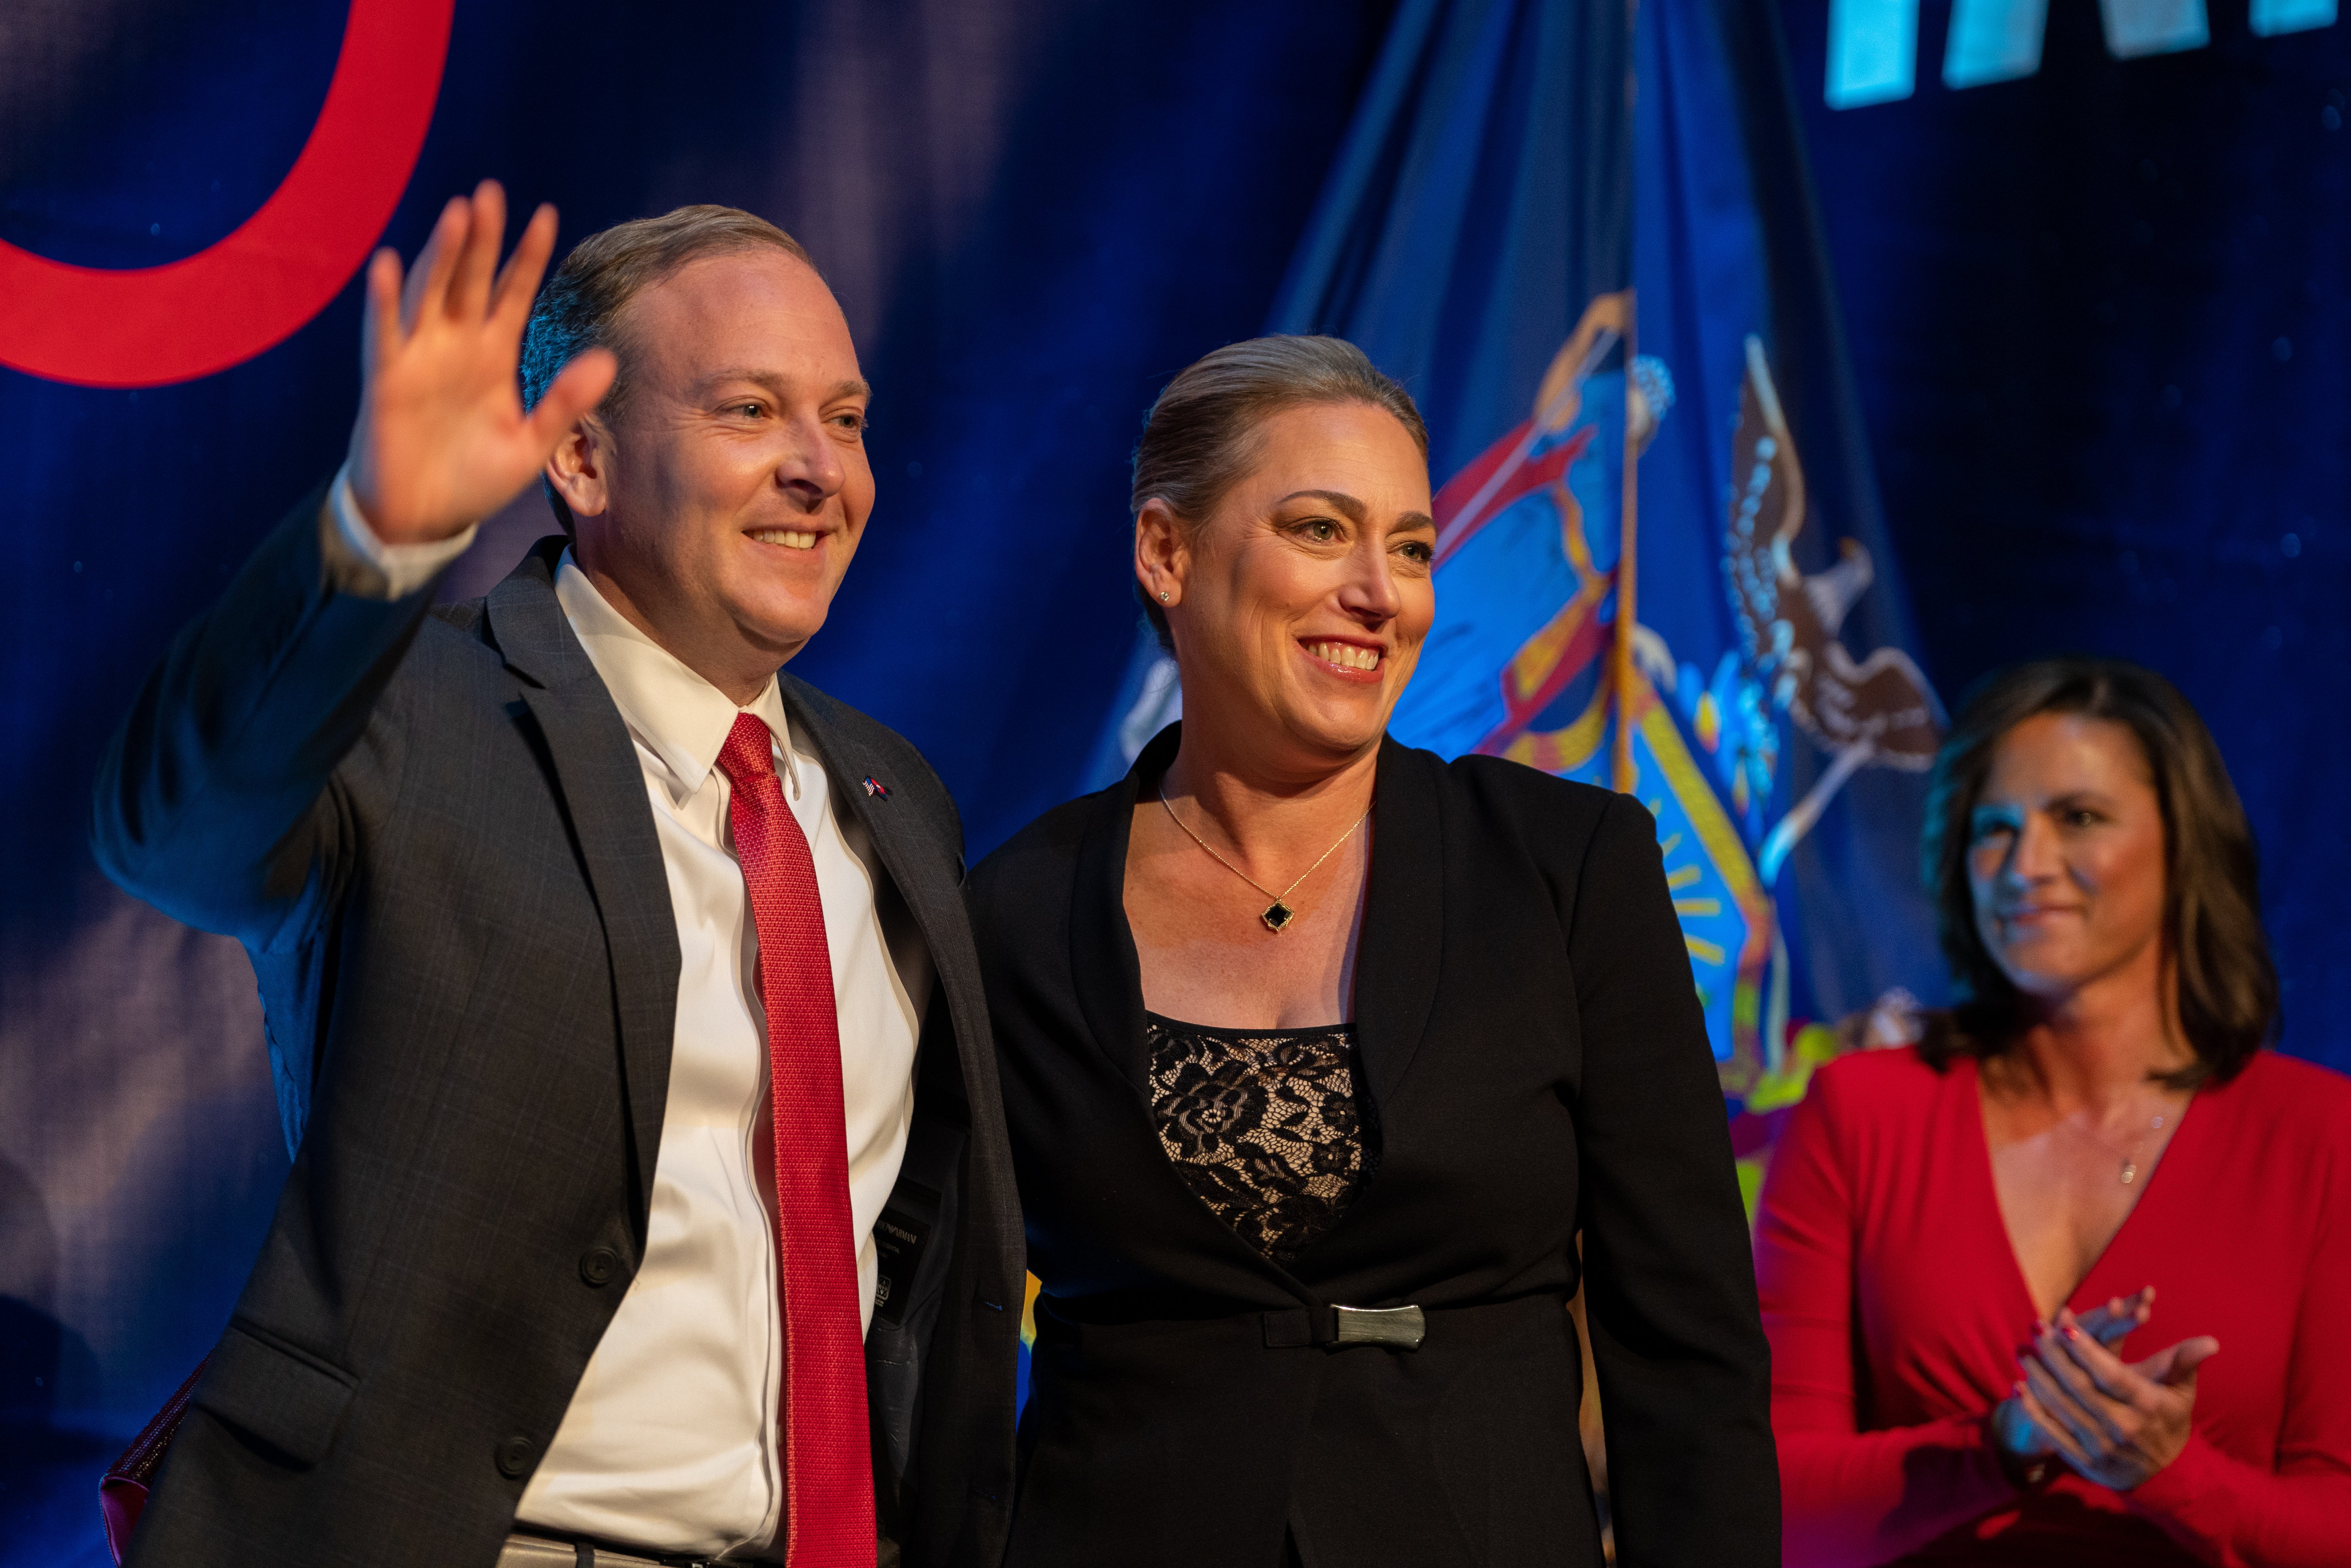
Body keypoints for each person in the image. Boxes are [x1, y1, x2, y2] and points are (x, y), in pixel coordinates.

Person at [90, 184, 1022, 1568]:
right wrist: (371, 534)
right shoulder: (411, 719)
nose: (823, 469)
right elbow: (174, 834)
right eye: (751, 411)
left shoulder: (896, 800)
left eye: (846, 417)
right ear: (582, 461)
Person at [966, 336, 1779, 1567]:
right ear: (1165, 550)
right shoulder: (1013, 908)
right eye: (1317, 528)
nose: (1380, 591)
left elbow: (1688, 1342)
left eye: (1408, 545)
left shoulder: (1567, 866)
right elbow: (943, 1335)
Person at [1755, 658, 2351, 1566]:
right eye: (1992, 829)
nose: (2024, 865)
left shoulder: (2318, 1134)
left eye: (2076, 817)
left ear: (2184, 841)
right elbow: (1773, 1505)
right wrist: (1998, 1447)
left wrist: (2169, 1471)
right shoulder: (1858, 1111)